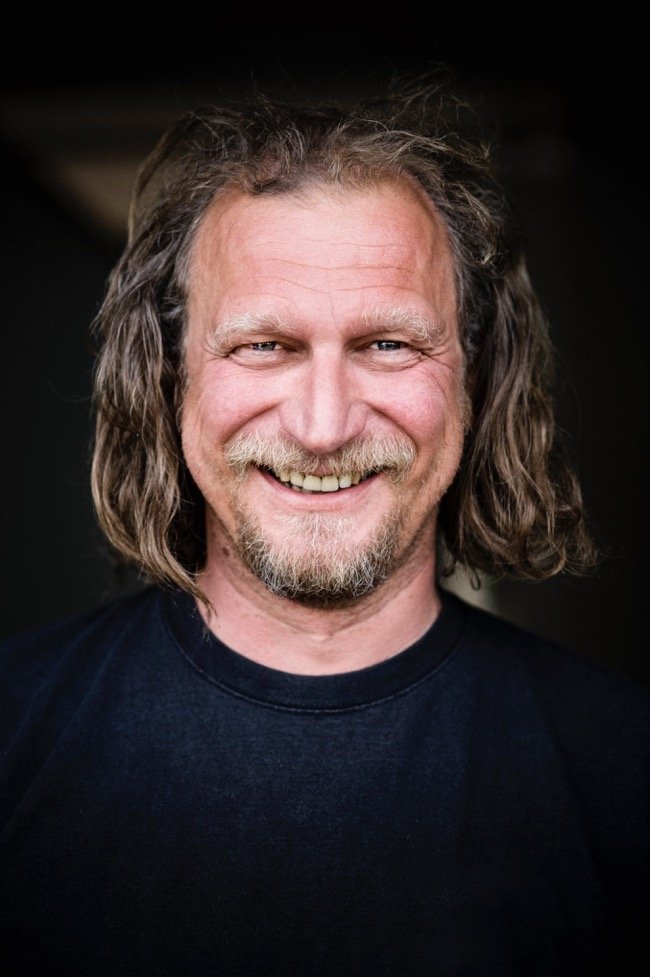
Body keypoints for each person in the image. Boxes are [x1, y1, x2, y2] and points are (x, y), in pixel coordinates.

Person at [1, 78, 647, 977]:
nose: (322, 426)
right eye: (264, 344)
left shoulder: (623, 768)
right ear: (170, 377)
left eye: (389, 344)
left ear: (475, 380)